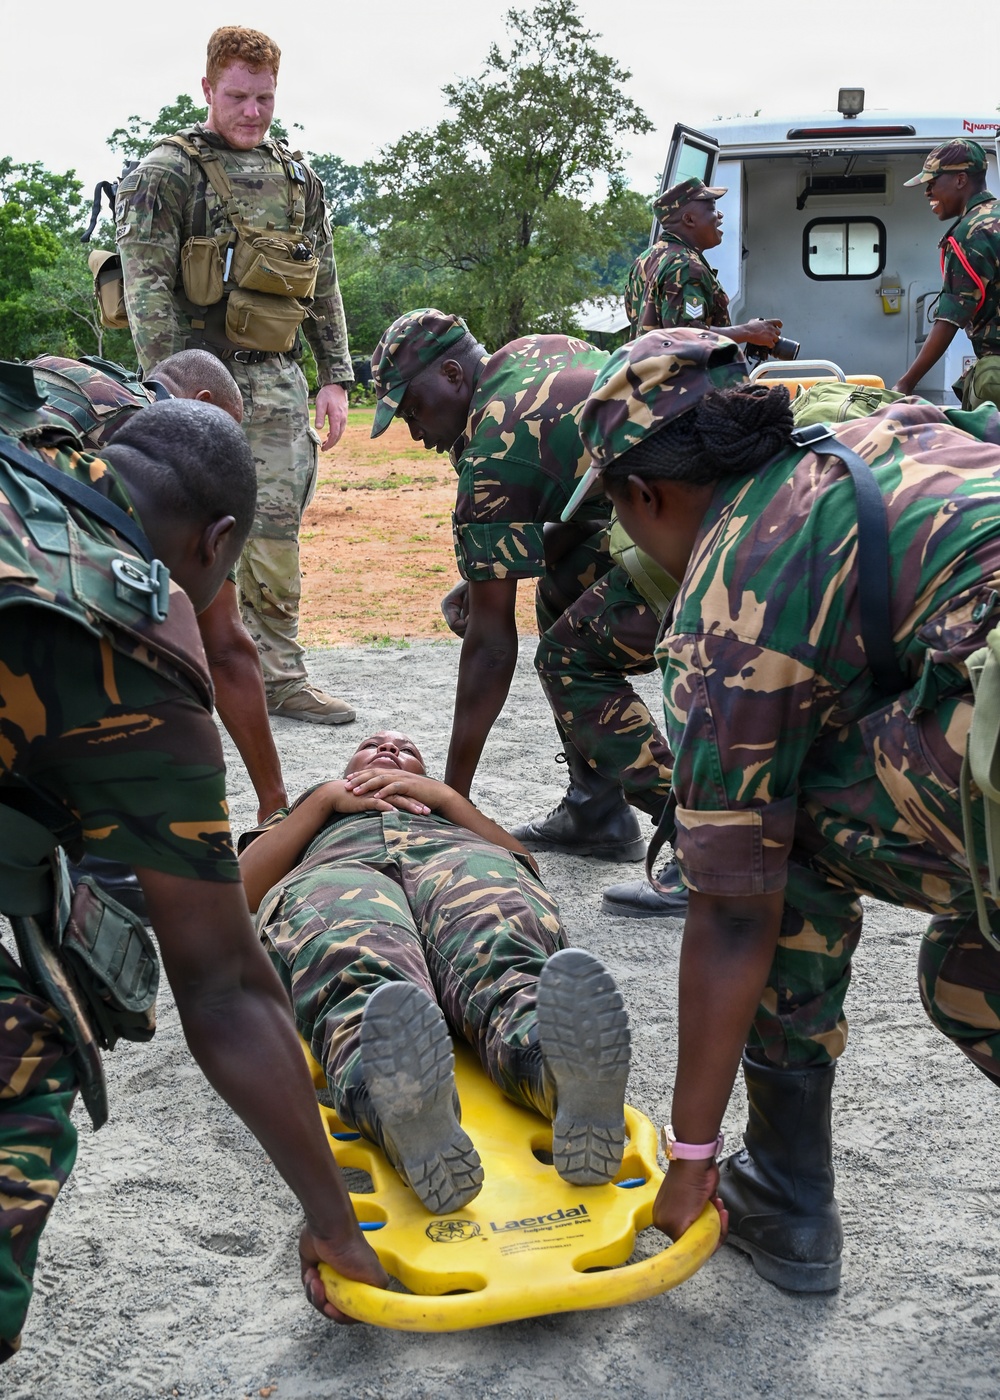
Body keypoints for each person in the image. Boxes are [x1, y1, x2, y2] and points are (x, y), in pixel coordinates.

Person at [561, 326, 1000, 1293]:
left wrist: (687, 1158)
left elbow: (729, 909)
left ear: (645, 495)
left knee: (772, 833)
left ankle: (789, 1197)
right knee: (972, 964)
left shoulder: (734, 599)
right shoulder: (887, 430)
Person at [0, 400, 387, 1363]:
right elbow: (224, 986)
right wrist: (337, 1229)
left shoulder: (34, 445)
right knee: (24, 1055)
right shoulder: (131, 641)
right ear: (217, 545)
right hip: (345, 880)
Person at [369, 309, 687, 918]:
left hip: (720, 552)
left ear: (454, 374)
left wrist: (450, 797)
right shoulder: (533, 351)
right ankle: (596, 808)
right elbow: (578, 498)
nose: (415, 432)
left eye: (413, 409)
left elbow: (490, 645)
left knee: (568, 659)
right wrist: (483, 572)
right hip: (724, 515)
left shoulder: (491, 452)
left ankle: (703, 836)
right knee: (560, 585)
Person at [239, 729, 632, 1214]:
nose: (389, 749)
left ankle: (560, 1073)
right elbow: (241, 888)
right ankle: (405, 1111)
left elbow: (525, 865)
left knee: (498, 941)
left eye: (407, 750)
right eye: (374, 745)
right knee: (356, 961)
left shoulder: (449, 810)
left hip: (458, 861)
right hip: (340, 870)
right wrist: (322, 802)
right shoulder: (309, 808)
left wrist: (449, 798)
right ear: (347, 769)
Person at [115, 25, 356, 725]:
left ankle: (280, 675)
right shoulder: (167, 172)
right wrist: (173, 395)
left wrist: (336, 375)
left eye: (265, 98)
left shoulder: (298, 179)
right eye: (239, 96)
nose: (253, 111)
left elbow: (324, 282)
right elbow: (147, 290)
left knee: (276, 531)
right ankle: (169, 671)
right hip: (192, 385)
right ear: (208, 90)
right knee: (177, 530)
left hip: (277, 383)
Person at [17, 349, 287, 824]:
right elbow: (224, 648)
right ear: (201, 402)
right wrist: (275, 803)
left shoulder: (60, 369)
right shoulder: (171, 451)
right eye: (229, 429)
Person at [894, 139, 1000, 410]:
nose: (927, 192)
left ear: (960, 180)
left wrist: (905, 384)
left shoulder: (970, 233)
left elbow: (951, 317)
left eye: (932, 182)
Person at [624, 177, 782, 349]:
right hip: (682, 376)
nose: (720, 215)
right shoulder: (687, 267)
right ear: (689, 220)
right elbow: (686, 337)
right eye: (712, 209)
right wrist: (748, 332)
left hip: (644, 373)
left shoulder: (644, 260)